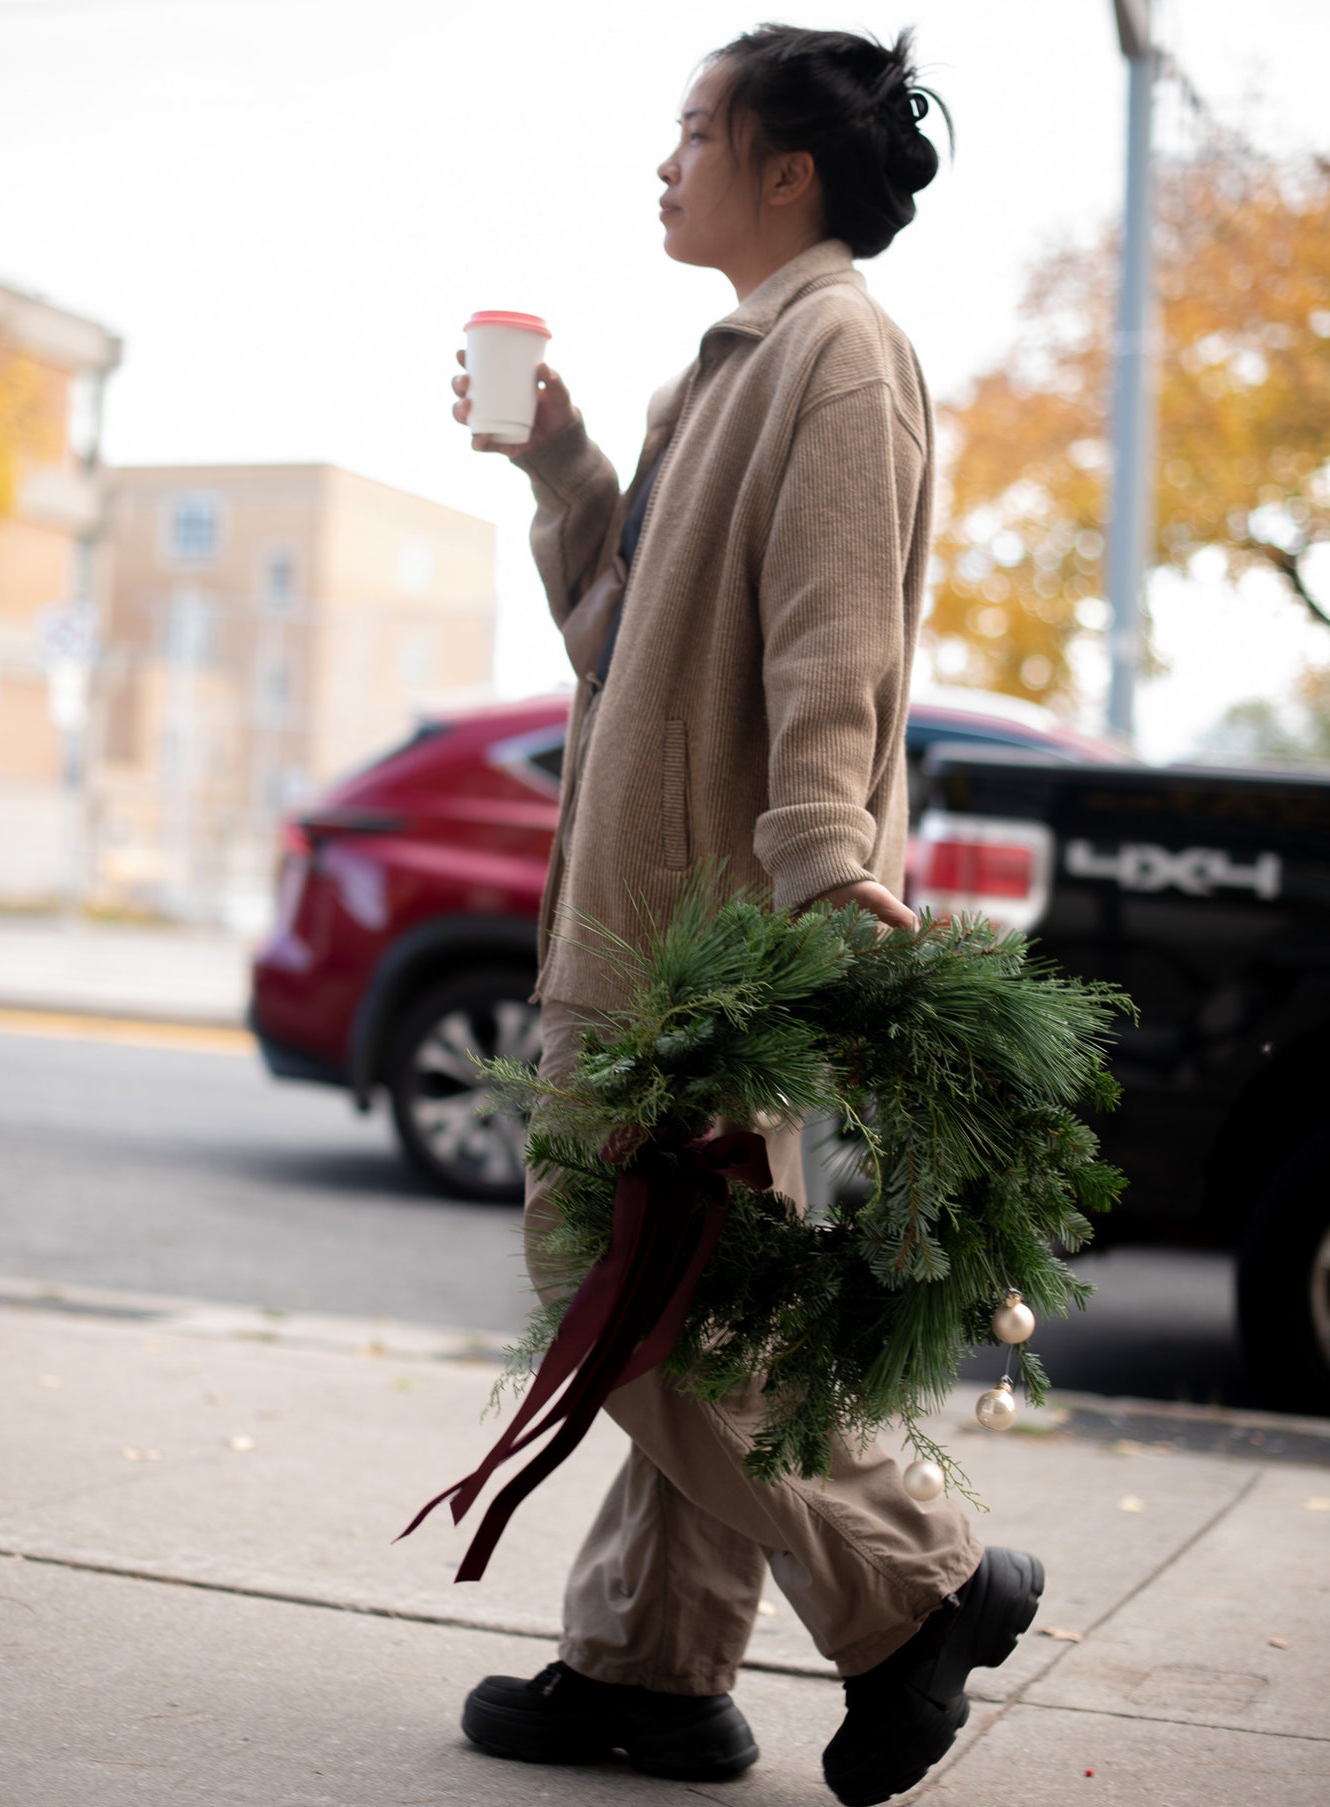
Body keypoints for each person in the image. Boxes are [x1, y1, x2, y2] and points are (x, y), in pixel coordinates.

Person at [448, 25, 1043, 1806]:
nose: (666, 159)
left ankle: (915, 1582)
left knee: (611, 1272)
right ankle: (647, 1669)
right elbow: (612, 645)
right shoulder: (709, 375)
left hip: (705, 938)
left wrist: (808, 877)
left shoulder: (840, 352)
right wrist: (559, 473)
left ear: (788, 170)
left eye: (698, 130)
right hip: (662, 908)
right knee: (693, 1270)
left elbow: (835, 640)